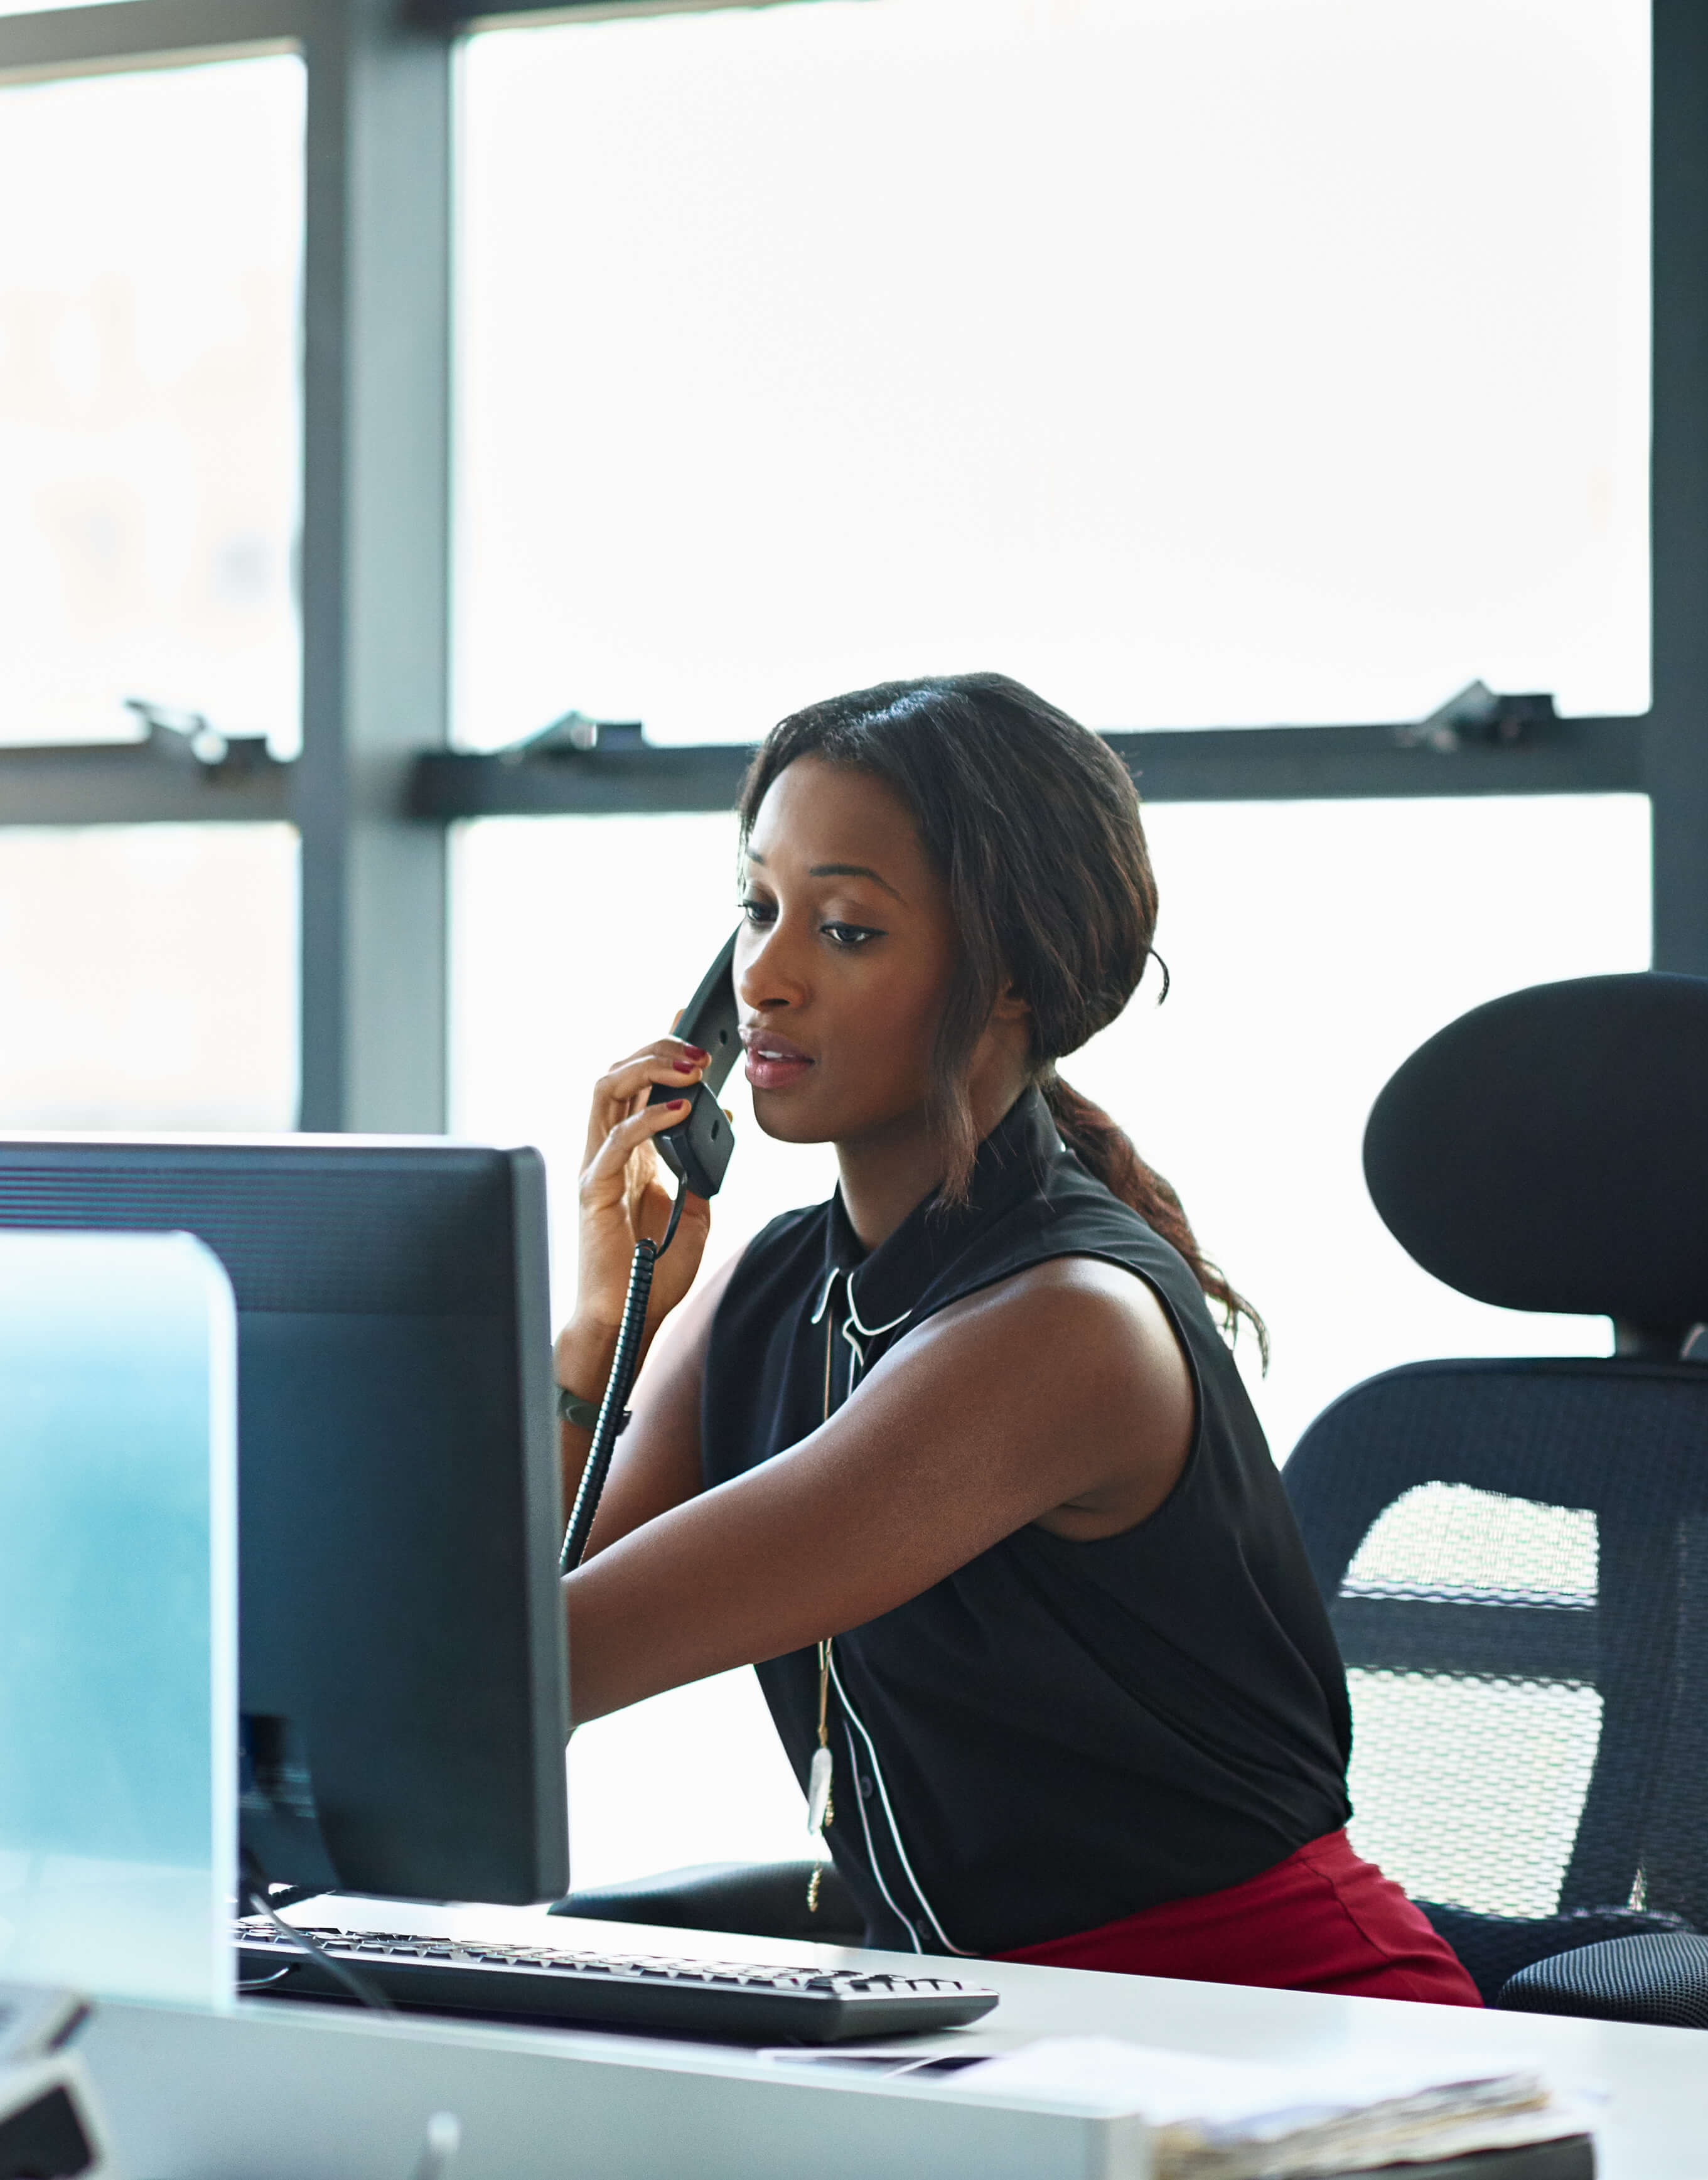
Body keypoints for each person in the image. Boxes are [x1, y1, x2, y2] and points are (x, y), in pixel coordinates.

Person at [555, 673, 1476, 2005]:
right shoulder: (771, 1294)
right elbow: (502, 1623)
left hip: (1283, 2041)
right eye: (757, 908)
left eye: (847, 930)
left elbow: (544, 1664)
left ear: (1007, 980)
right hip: (1000, 2037)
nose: (763, 975)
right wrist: (601, 1325)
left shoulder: (1062, 1333)